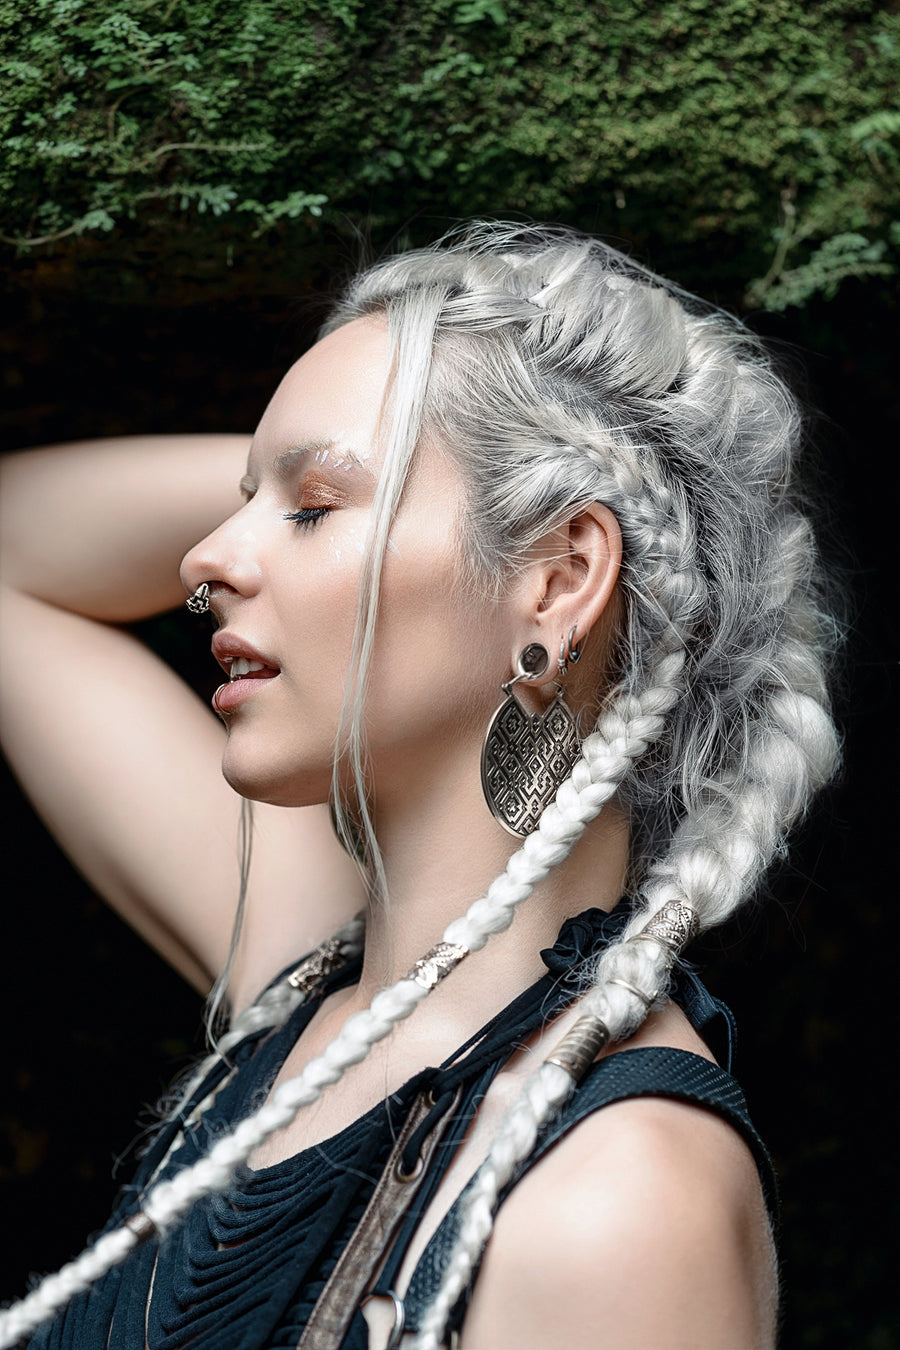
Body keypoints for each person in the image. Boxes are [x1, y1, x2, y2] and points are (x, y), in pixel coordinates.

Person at [0, 223, 839, 1349]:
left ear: (561, 576)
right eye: (246, 506)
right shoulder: (303, 995)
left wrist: (514, 473)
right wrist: (319, 465)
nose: (204, 561)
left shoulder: (613, 1198)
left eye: (310, 508)